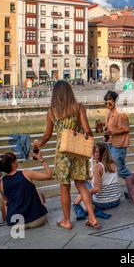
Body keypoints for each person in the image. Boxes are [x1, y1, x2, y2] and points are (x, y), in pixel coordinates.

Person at [33, 80, 100, 230]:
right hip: (77, 150)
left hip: (62, 152)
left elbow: (47, 135)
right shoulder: (78, 108)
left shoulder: (52, 111)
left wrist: (38, 144)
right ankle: (93, 218)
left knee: (64, 186)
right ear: (70, 92)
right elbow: (88, 131)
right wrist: (89, 144)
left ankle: (66, 221)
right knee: (81, 185)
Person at [0, 150, 51, 229]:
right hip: (37, 220)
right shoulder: (26, 173)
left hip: (16, 223)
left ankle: (5, 220)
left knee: (5, 199)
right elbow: (49, 175)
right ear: (13, 164)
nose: (17, 161)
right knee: (36, 190)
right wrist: (41, 159)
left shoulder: (1, 182)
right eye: (16, 159)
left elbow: (6, 202)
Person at [73, 142, 121, 218]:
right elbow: (101, 177)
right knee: (85, 183)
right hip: (116, 200)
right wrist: (87, 177)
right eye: (93, 151)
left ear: (102, 153)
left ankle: (78, 206)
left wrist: (83, 194)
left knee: (83, 186)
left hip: (102, 203)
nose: (93, 154)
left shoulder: (98, 167)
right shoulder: (113, 163)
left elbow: (97, 189)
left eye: (96, 152)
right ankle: (83, 205)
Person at [104, 90, 132, 179]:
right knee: (110, 168)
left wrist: (112, 132)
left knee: (120, 170)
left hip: (119, 145)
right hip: (110, 143)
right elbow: (110, 127)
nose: (107, 105)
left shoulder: (120, 113)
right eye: (106, 102)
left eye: (110, 102)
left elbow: (126, 129)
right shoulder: (110, 113)